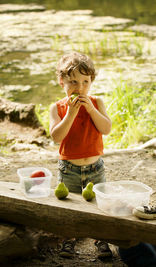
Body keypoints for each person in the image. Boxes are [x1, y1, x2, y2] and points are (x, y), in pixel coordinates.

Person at [49, 51, 112, 259]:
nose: (80, 88)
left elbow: (106, 129)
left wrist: (92, 110)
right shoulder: (57, 108)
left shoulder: (97, 102)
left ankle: (101, 239)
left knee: (98, 205)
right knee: (68, 206)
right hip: (69, 169)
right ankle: (68, 240)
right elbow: (57, 137)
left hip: (95, 168)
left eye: (85, 82)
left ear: (91, 81)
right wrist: (70, 114)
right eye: (73, 82)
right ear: (61, 82)